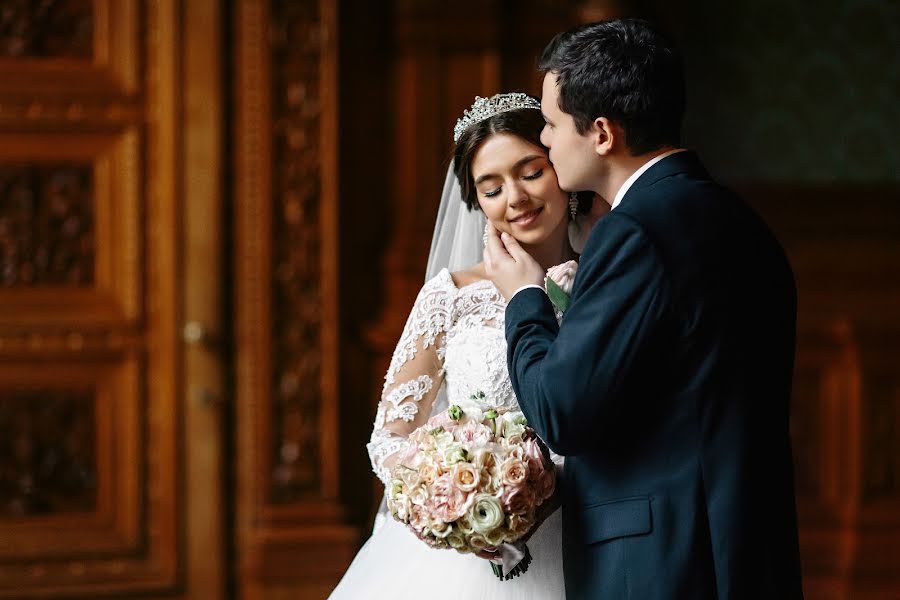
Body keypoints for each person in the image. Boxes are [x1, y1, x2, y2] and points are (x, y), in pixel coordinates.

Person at [484, 19, 804, 599]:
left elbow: (561, 410)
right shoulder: (743, 223)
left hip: (660, 565)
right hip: (746, 549)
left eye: (553, 125)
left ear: (602, 133)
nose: (548, 141)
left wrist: (524, 299)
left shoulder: (634, 231)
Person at [328, 93, 588, 599]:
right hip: (465, 560)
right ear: (476, 203)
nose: (515, 198)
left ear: (559, 167)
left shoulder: (602, 282)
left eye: (530, 172)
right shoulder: (451, 296)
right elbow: (390, 439)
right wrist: (453, 499)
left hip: (584, 538)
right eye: (492, 188)